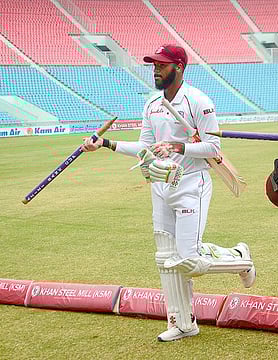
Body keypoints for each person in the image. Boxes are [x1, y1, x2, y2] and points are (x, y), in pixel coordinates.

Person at [82, 44, 256, 342]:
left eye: (162, 65)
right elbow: (144, 147)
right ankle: (183, 322)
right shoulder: (152, 104)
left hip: (192, 184)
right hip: (161, 185)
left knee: (188, 259)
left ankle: (240, 258)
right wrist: (107, 144)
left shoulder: (199, 102)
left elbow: (214, 148)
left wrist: (178, 147)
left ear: (179, 67)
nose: (155, 69)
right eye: (153, 64)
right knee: (166, 258)